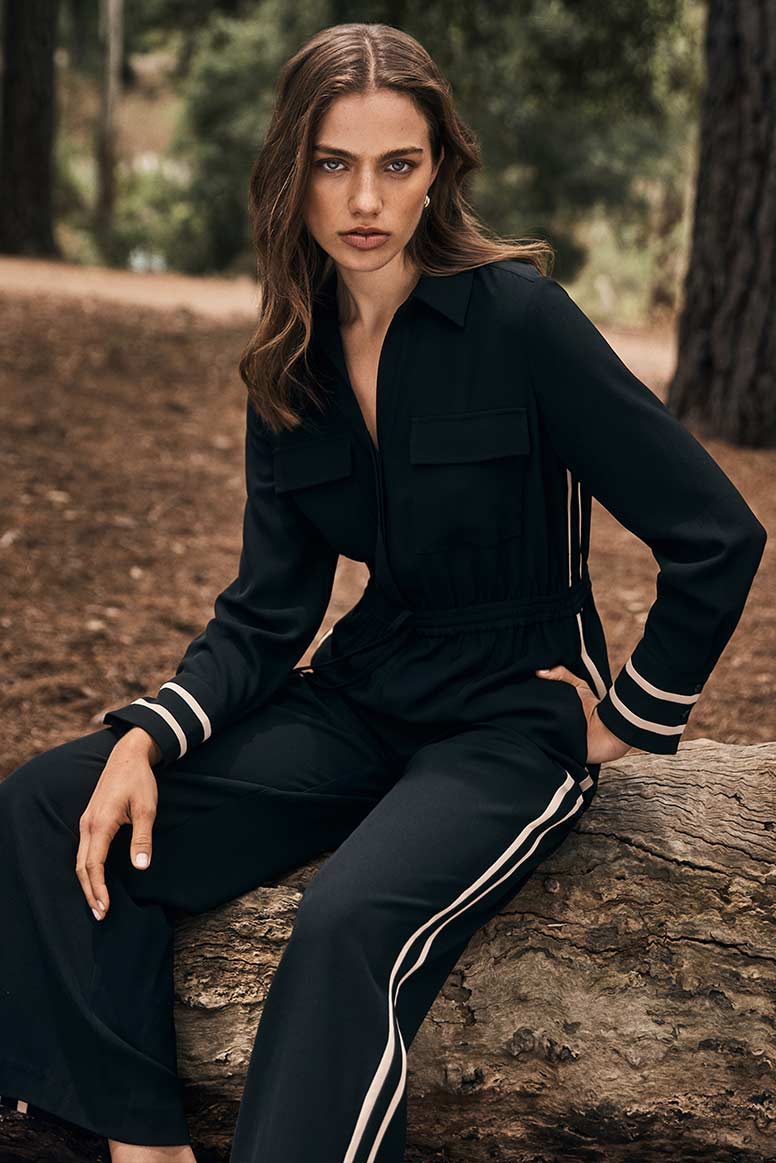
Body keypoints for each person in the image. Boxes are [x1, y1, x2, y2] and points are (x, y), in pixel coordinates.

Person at [0, 21, 767, 1163]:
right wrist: (148, 737)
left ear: (436, 173)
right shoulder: (289, 353)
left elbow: (713, 531)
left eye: (395, 165)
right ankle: (137, 1139)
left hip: (511, 716)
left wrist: (624, 714)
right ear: (290, 173)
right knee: (53, 803)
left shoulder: (516, 317)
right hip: (362, 693)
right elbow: (268, 609)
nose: (364, 197)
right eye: (332, 162)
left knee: (347, 919)